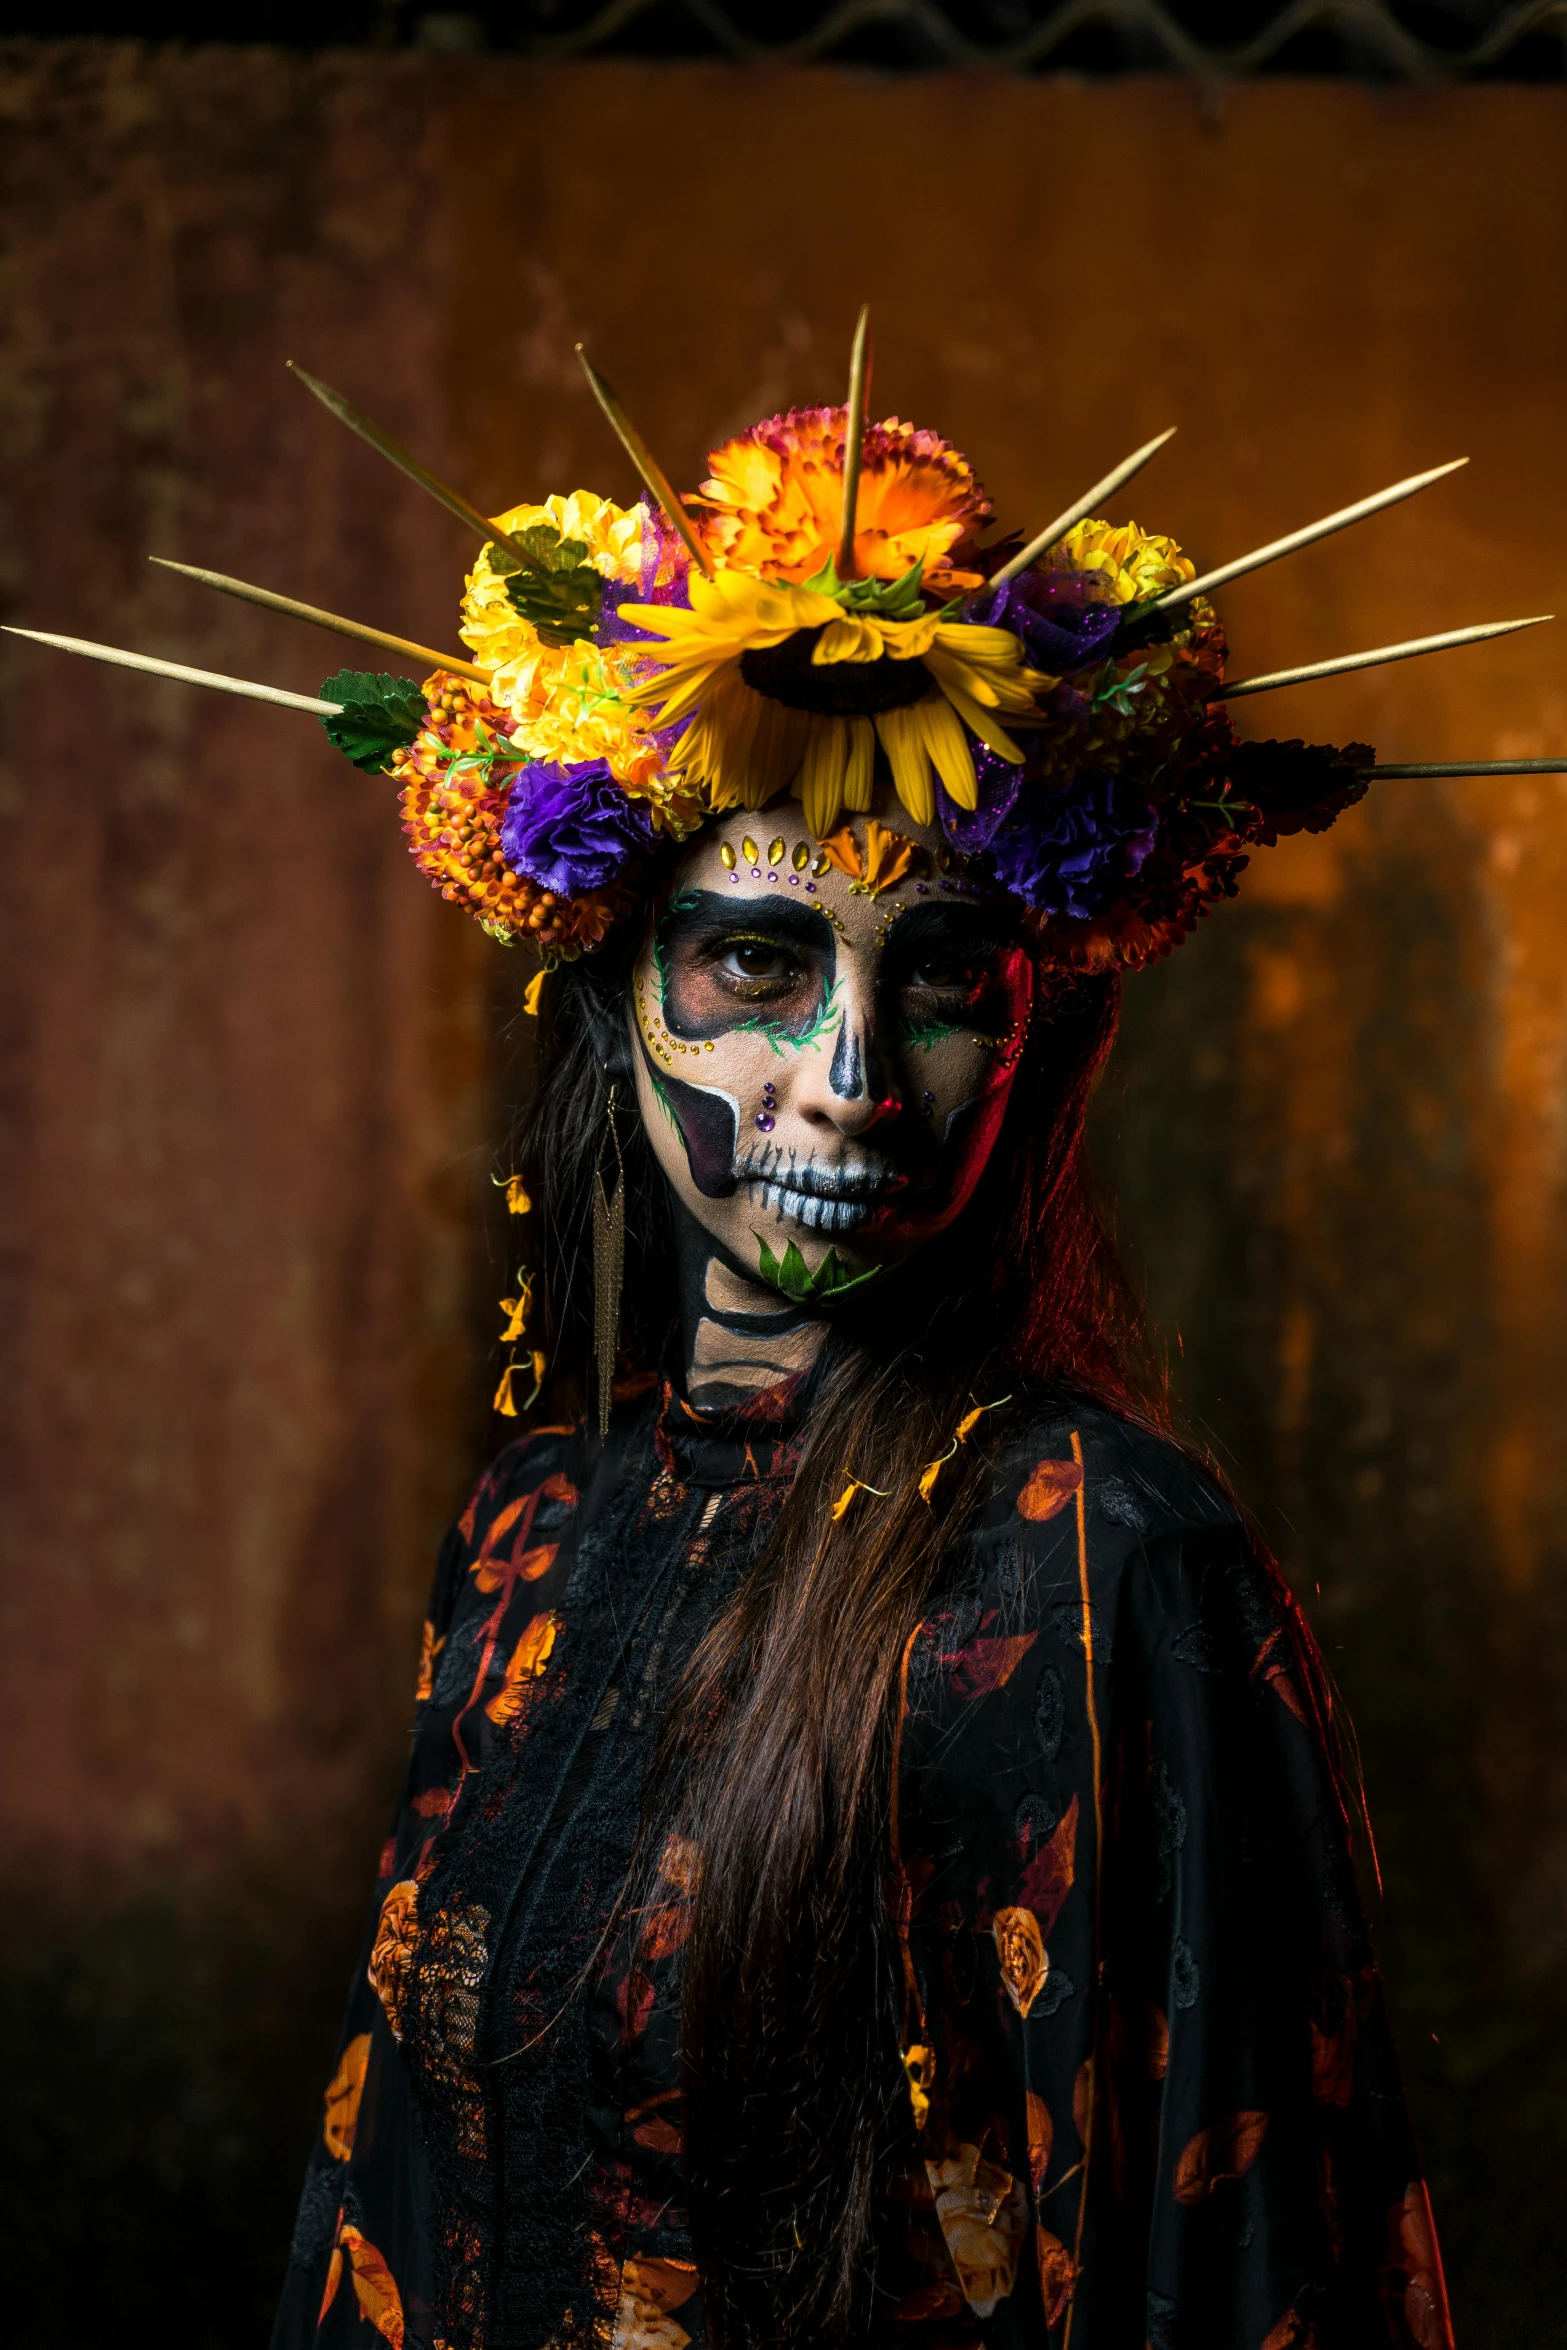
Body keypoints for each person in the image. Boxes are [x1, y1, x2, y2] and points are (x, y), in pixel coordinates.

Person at [13, 347, 1472, 2349]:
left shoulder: (1104, 1555)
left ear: (1032, 1030)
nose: (853, 1074)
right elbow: (384, 2201)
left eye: (945, 969)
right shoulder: (531, 1523)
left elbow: (1252, 2260)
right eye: (761, 964)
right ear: (619, 1005)